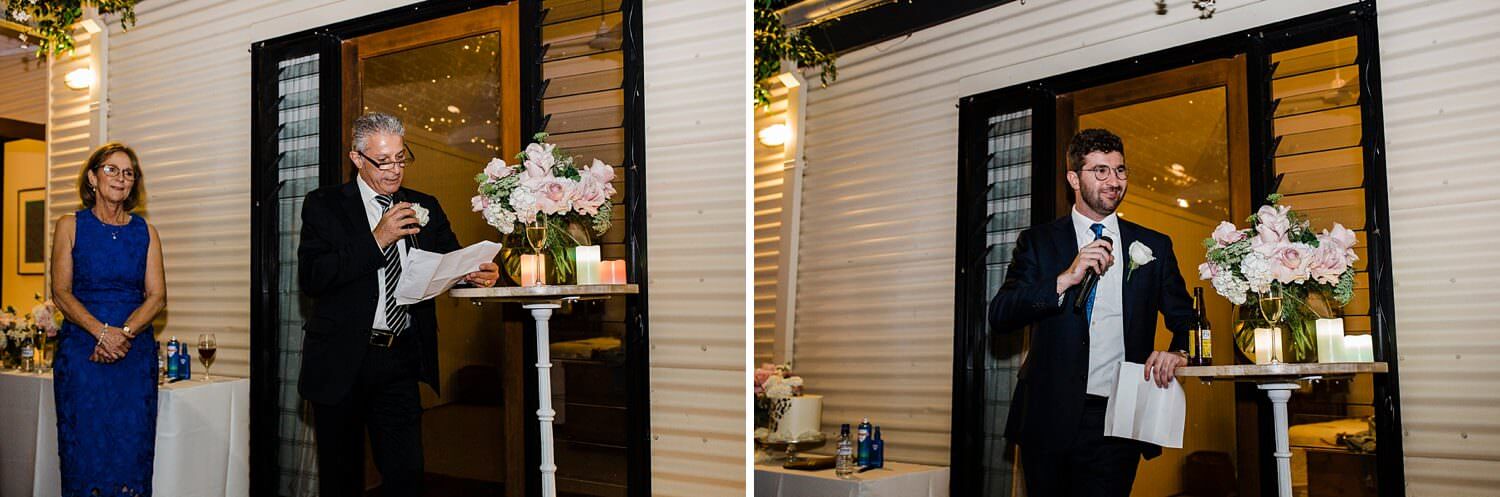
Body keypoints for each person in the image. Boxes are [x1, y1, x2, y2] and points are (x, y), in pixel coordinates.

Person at [297, 112, 499, 496]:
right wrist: (378, 238)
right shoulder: (325, 205)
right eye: (383, 161)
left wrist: (474, 274)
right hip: (341, 359)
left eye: (401, 158)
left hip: (399, 358)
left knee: (407, 475)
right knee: (341, 479)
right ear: (357, 158)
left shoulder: (425, 204)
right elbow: (313, 277)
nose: (395, 170)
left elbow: (450, 260)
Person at [989, 128, 1196, 496]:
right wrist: (1063, 280)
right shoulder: (1038, 242)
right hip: (1048, 414)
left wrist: (1179, 351)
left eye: (1120, 170)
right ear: (1074, 179)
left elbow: (1188, 321)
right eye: (1100, 171)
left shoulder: (1154, 245)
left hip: (1118, 419)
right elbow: (1001, 314)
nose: (1114, 181)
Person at [49, 142, 167, 496]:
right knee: (84, 453)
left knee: (131, 452)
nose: (121, 177)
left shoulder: (146, 232)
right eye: (111, 169)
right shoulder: (70, 226)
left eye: (128, 172)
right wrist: (101, 333)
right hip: (83, 355)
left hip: (133, 356)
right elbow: (61, 292)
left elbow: (157, 297)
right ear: (92, 177)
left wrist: (123, 334)